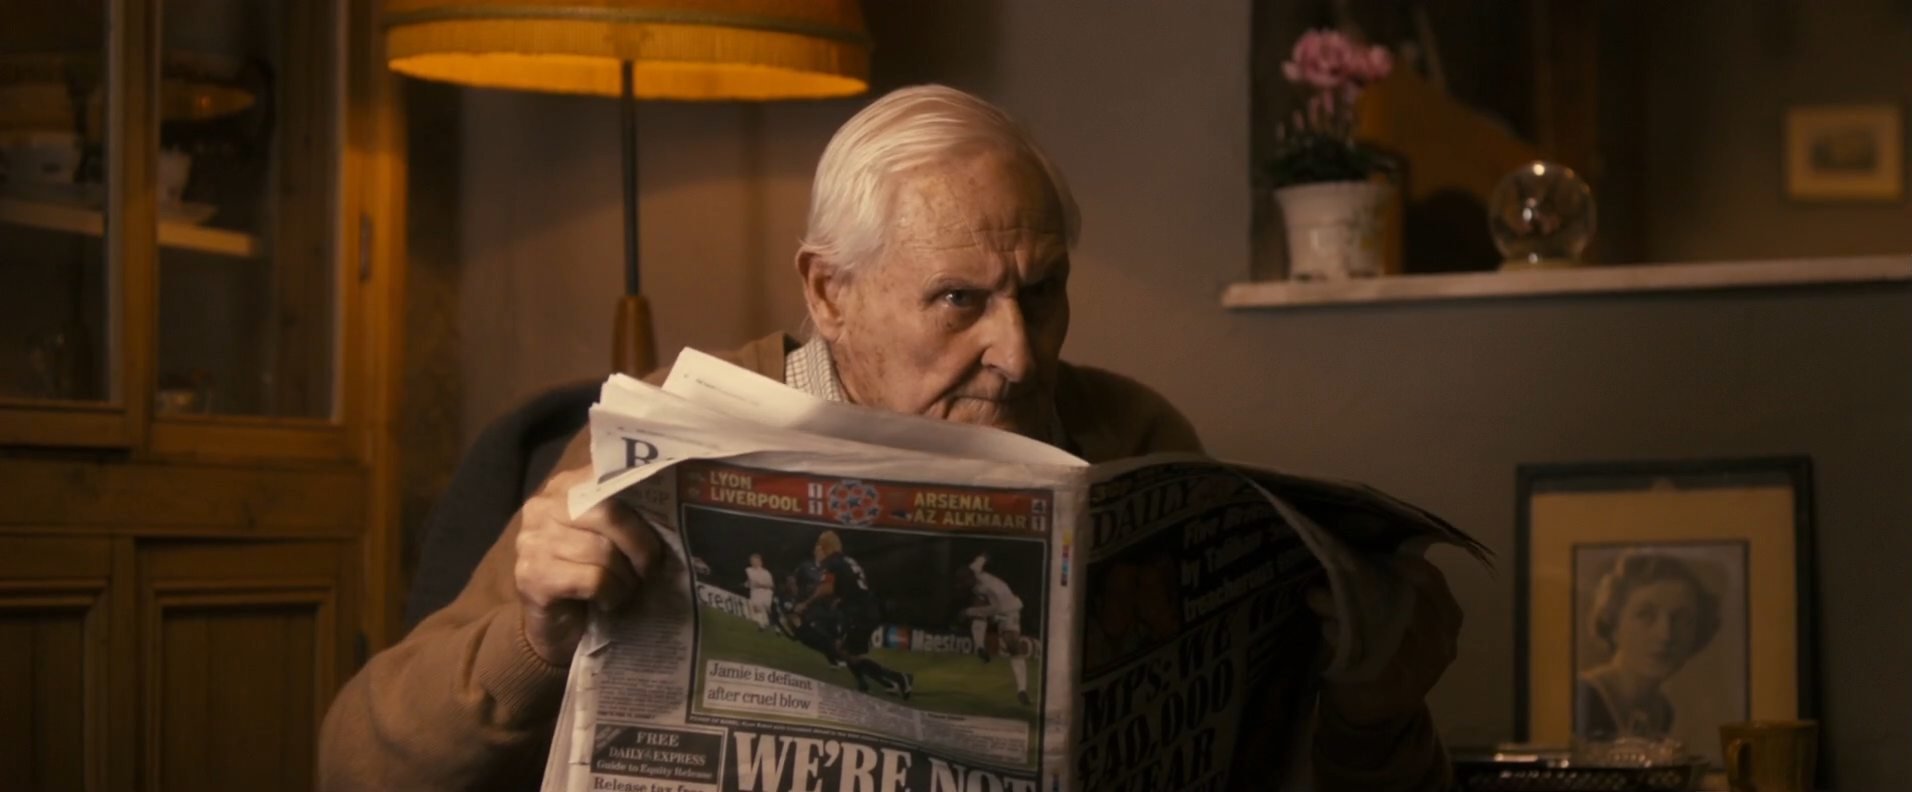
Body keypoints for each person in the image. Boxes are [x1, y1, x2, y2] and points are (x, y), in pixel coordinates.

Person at [318, 84, 1461, 792]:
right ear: (829, 293)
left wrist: (1373, 709)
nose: (1019, 353)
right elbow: (354, 766)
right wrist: (529, 638)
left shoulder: (1130, 431)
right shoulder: (669, 432)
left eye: (1042, 290)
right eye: (959, 300)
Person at [1575, 551, 1722, 741]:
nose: (1665, 635)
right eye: (1645, 615)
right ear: (1613, 623)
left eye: (1681, 618)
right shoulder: (1583, 697)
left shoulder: (1662, 711)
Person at [797, 530, 913, 698]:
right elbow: (852, 584)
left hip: (859, 612)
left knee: (847, 654)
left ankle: (899, 678)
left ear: (825, 547)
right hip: (865, 608)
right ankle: (867, 685)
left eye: (818, 547)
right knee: (845, 650)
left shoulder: (831, 561)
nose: (816, 551)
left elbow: (826, 588)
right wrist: (842, 600)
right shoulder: (846, 560)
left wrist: (805, 603)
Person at [958, 554, 1034, 705]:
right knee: (979, 605)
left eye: (964, 582)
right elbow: (982, 558)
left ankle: (1022, 690)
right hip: (993, 604)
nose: (963, 585)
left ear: (971, 579)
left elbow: (994, 610)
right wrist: (985, 556)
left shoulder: (989, 588)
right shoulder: (974, 570)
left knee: (1012, 645)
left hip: (1008, 608)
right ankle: (980, 647)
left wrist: (968, 612)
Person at [743, 553, 775, 631]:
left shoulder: (766, 573)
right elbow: (750, 580)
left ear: (760, 562)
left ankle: (770, 622)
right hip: (755, 592)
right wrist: (747, 584)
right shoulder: (749, 570)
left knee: (765, 608)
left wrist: (761, 585)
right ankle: (762, 625)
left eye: (755, 561)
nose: (753, 562)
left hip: (765, 592)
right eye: (752, 561)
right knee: (756, 607)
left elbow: (771, 585)